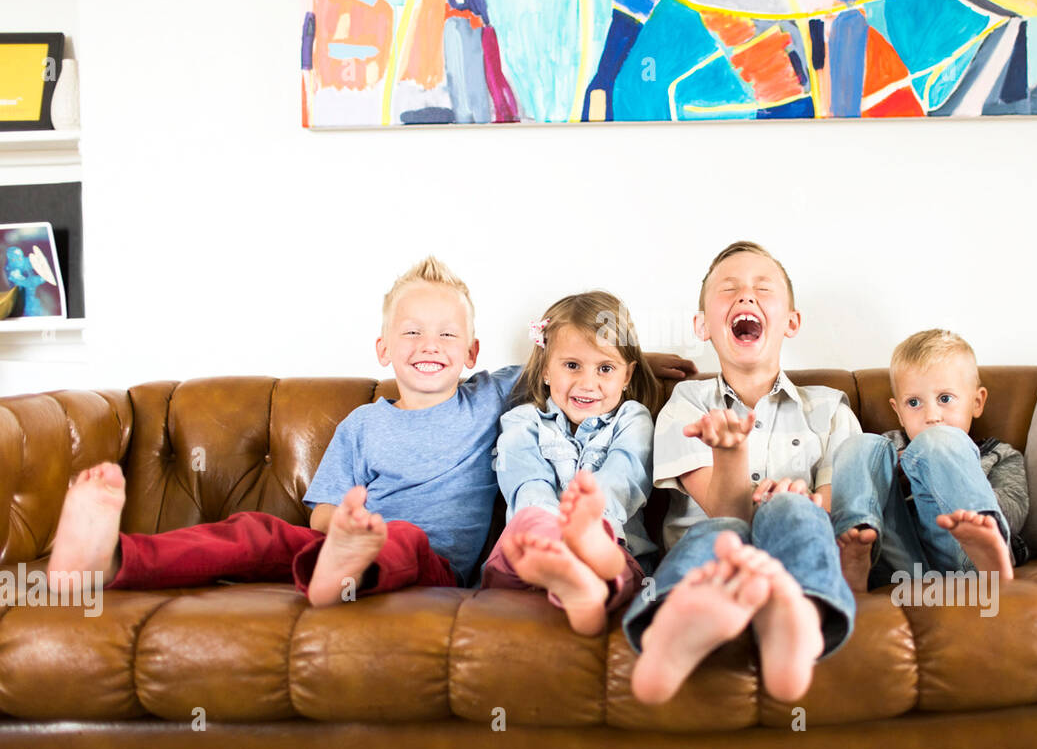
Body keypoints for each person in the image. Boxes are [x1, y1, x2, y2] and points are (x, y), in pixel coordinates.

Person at [47, 257, 696, 605]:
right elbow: (326, 511)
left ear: (471, 352)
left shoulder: (490, 396)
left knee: (405, 539)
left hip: (432, 566)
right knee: (258, 532)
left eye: (446, 334)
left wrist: (648, 366)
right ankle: (109, 561)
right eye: (411, 331)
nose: (428, 345)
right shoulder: (362, 424)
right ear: (382, 348)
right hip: (355, 544)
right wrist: (349, 534)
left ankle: (343, 575)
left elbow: (571, 364)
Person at [624, 241, 861, 705]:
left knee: (794, 511)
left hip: (793, 549)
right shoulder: (685, 405)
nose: (746, 297)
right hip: (713, 545)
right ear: (702, 326)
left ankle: (797, 617)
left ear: (791, 321)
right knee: (721, 533)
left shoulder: (831, 409)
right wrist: (730, 454)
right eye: (728, 289)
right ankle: (674, 628)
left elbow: (836, 511)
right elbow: (726, 511)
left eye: (762, 289)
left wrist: (806, 500)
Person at [480, 291, 659, 635]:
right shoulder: (523, 422)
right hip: (533, 552)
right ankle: (572, 579)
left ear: (627, 376)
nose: (587, 383)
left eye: (605, 368)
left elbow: (624, 478)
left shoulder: (632, 419)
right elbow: (527, 486)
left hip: (610, 548)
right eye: (572, 365)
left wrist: (588, 531)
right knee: (530, 517)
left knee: (609, 553)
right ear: (546, 368)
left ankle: (586, 579)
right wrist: (555, 539)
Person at [831, 329, 1029, 592]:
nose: (932, 416)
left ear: (977, 401)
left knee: (938, 441)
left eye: (945, 399)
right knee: (859, 444)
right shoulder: (887, 450)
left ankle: (986, 554)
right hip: (900, 566)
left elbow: (1015, 510)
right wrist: (900, 474)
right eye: (914, 402)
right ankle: (857, 544)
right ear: (898, 412)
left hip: (963, 558)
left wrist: (948, 475)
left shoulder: (999, 455)